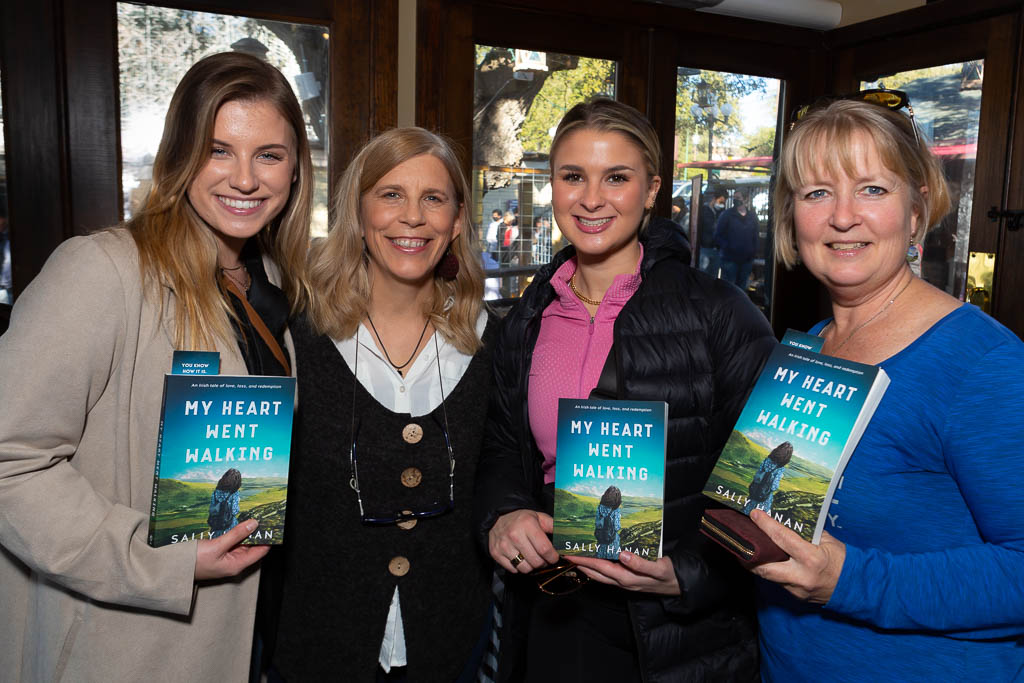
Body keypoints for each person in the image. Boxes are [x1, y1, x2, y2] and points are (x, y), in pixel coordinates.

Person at [0, 51, 313, 681]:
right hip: (122, 646)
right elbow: (9, 461)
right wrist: (162, 561)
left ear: (296, 169)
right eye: (219, 150)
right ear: (179, 155)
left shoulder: (271, 285)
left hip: (247, 634)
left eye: (270, 155)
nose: (246, 179)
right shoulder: (101, 272)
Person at [475, 98, 776, 682]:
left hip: (675, 633)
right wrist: (503, 514)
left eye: (617, 177)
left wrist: (687, 574)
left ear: (652, 189)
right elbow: (499, 450)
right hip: (553, 608)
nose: (591, 199)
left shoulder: (719, 314)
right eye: (573, 177)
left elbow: (766, 490)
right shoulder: (526, 319)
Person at [751, 97, 1024, 680]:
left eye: (872, 189)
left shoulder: (983, 364)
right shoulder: (806, 345)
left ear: (917, 210)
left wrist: (846, 581)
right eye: (816, 192)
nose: (842, 217)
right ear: (791, 217)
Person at [271, 127, 495, 682]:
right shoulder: (293, 335)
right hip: (315, 647)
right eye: (391, 194)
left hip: (451, 648)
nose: (413, 217)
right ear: (358, 210)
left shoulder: (498, 342)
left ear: (458, 219)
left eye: (434, 198)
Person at [714, 189, 759, 290]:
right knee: (728, 289)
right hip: (730, 260)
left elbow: (755, 236)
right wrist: (728, 247)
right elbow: (718, 235)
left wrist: (753, 251)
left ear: (746, 199)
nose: (735, 200)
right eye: (734, 198)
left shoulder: (752, 216)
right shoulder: (726, 215)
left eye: (738, 198)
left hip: (746, 260)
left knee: (741, 289)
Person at [742, 441, 792, 515]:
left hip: (755, 489)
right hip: (764, 495)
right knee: (759, 515)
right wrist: (780, 477)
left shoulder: (767, 460)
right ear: (787, 456)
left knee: (747, 510)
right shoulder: (780, 468)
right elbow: (774, 486)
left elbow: (758, 474)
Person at [697, 187, 727, 275]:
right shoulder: (703, 210)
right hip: (705, 248)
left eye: (723, 203)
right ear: (714, 199)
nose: (722, 205)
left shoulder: (722, 212)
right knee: (703, 274)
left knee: (713, 275)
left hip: (717, 249)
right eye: (720, 202)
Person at [208, 468, 243, 538]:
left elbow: (211, 509)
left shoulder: (216, 492)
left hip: (216, 525)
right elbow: (234, 511)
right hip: (229, 525)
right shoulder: (234, 493)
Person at [594, 485, 622, 560]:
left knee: (600, 557)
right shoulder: (616, 510)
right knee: (612, 558)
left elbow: (597, 524)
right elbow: (617, 526)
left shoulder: (600, 507)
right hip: (612, 539)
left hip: (601, 537)